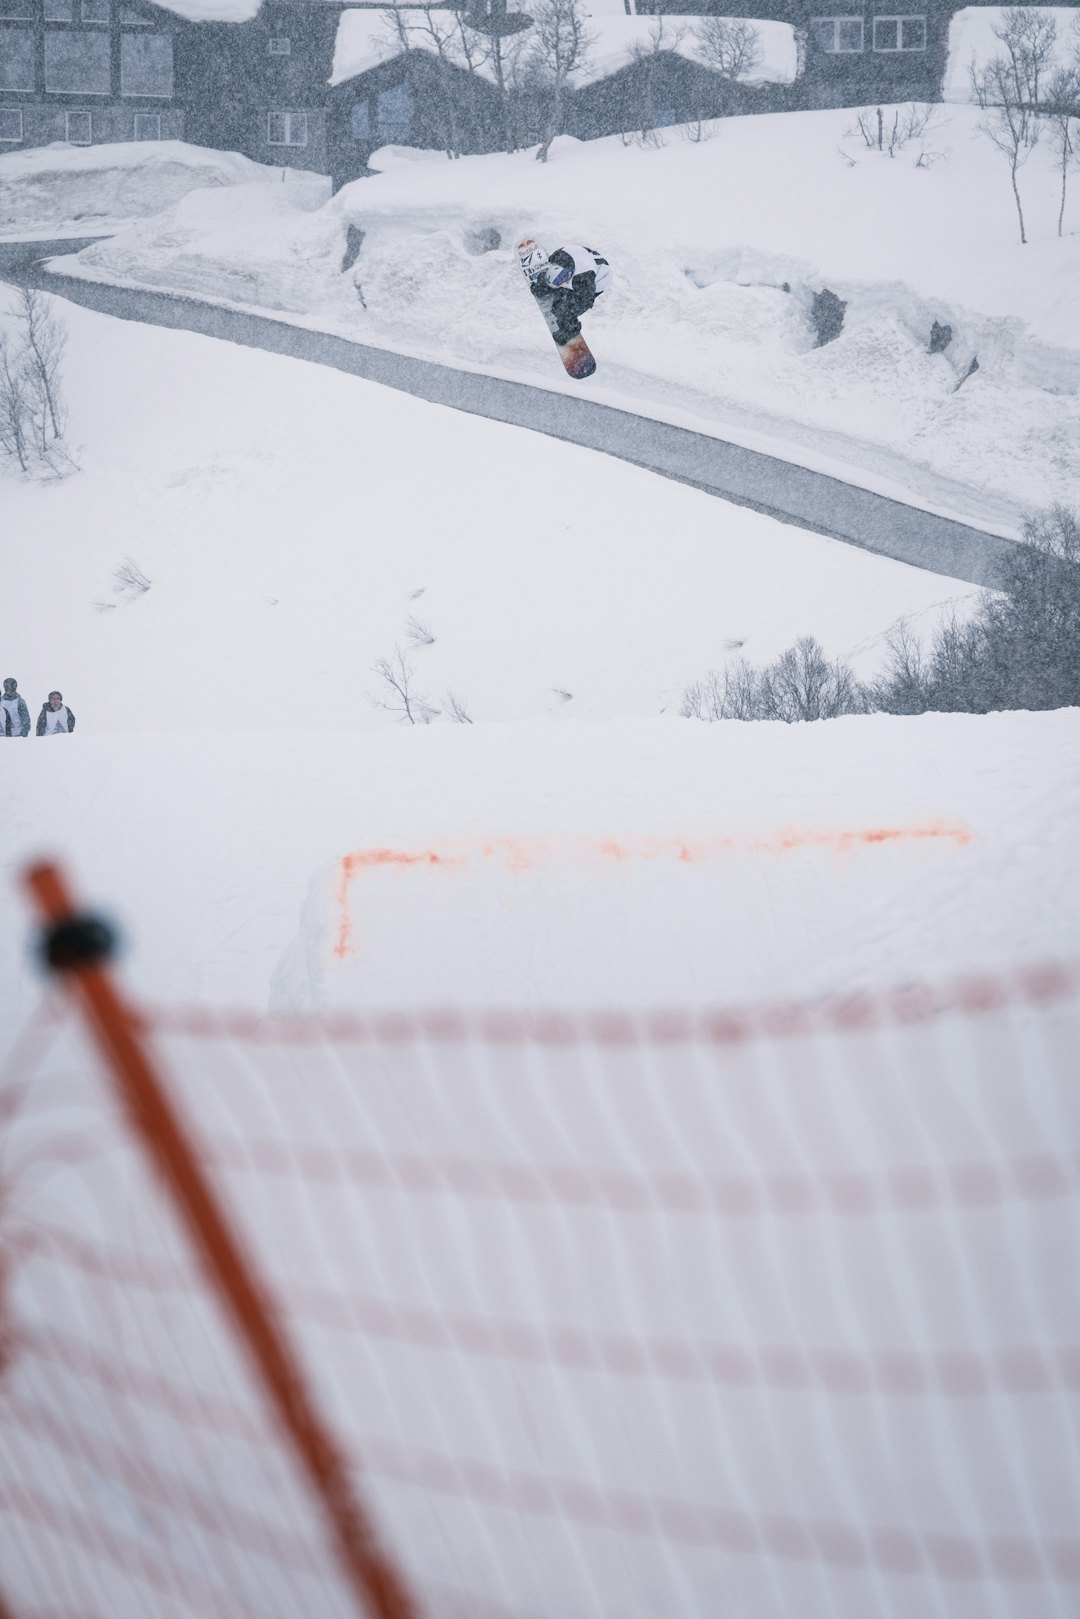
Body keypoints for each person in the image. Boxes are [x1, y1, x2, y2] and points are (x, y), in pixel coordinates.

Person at [519, 240, 612, 344]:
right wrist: (542, 285)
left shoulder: (585, 281)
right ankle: (555, 288)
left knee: (563, 308)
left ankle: (571, 330)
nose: (565, 281)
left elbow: (586, 302)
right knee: (557, 289)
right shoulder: (557, 257)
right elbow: (551, 274)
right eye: (560, 282)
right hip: (584, 259)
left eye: (564, 279)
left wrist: (567, 312)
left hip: (602, 278)